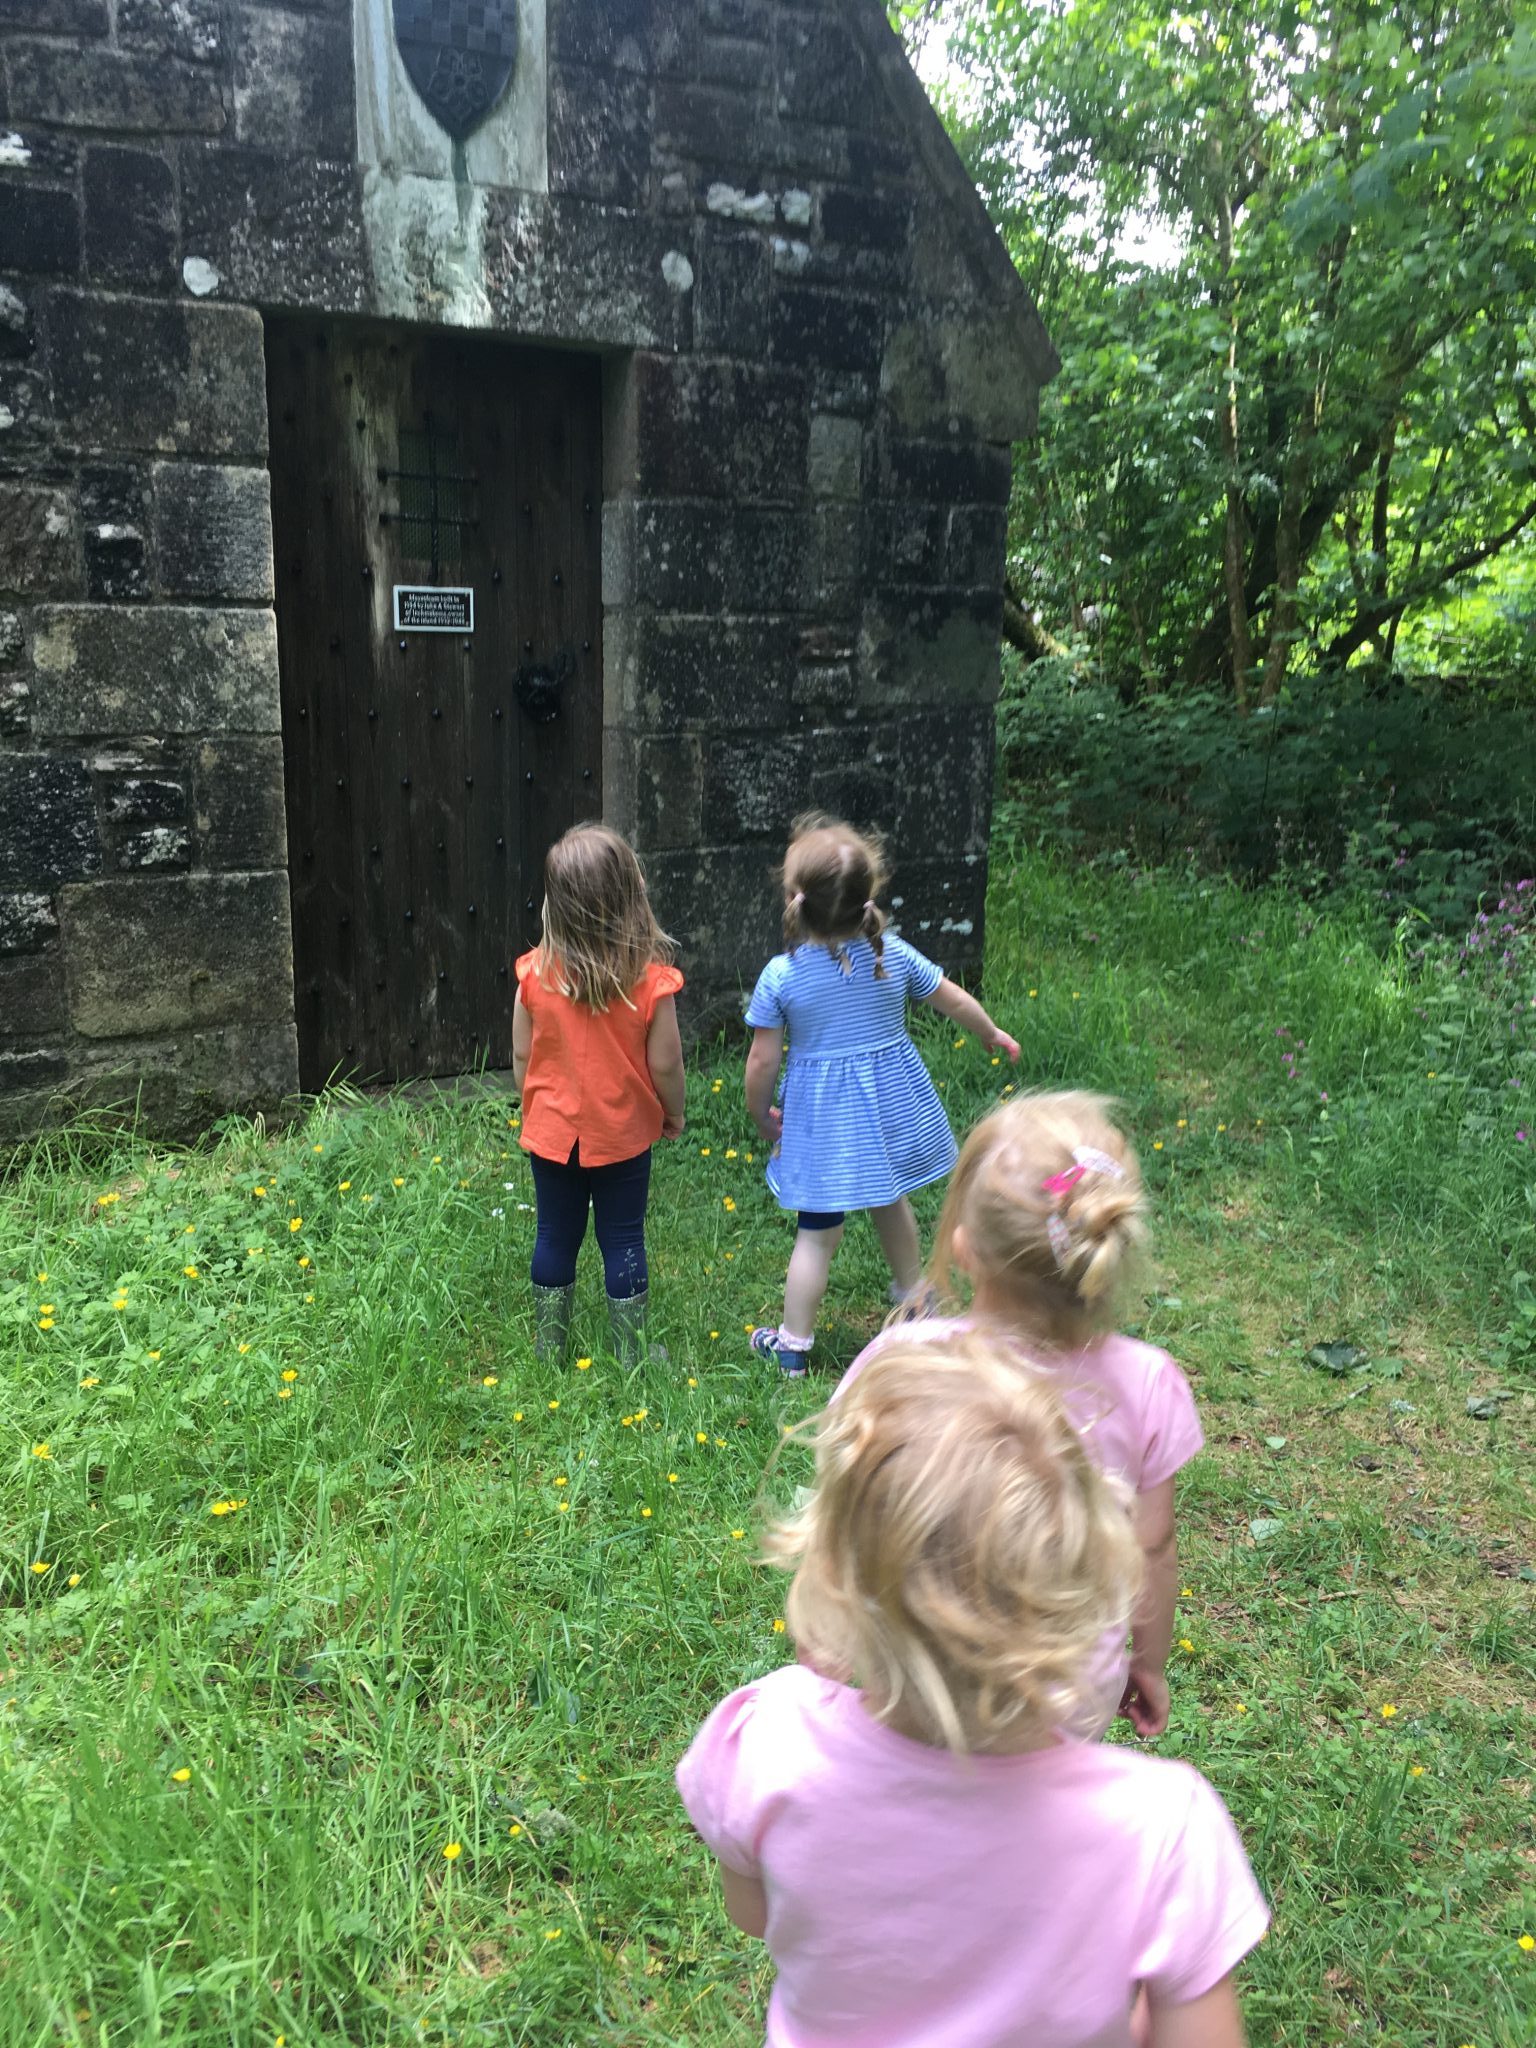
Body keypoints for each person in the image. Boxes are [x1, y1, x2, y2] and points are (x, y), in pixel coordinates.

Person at [677, 1334, 1268, 2048]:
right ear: (1089, 1591)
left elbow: (754, 1915)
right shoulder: (1162, 1832)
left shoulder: (765, 1744)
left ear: (834, 1577)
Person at [836, 1091, 1202, 1739]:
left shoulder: (900, 1359)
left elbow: (846, 1510)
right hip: (1068, 1686)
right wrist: (1147, 1663)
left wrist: (831, 1641)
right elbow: (1152, 1545)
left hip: (916, 1669)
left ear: (965, 1246)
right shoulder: (1149, 1384)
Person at [743, 814, 1020, 1378]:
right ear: (866, 897)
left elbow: (762, 1059)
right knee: (890, 1201)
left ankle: (792, 1344)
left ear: (796, 901)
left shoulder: (782, 975)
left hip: (823, 1122)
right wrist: (989, 1031)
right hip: (886, 1112)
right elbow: (951, 998)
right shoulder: (890, 953)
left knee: (817, 1231)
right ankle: (916, 1308)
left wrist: (759, 1111)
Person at [512, 824, 685, 1365]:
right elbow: (667, 1064)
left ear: (556, 907)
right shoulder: (650, 985)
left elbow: (521, 1056)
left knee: (554, 1236)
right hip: (623, 1136)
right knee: (624, 1238)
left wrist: (536, 1109)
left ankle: (550, 1346)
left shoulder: (534, 977)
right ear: (630, 901)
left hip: (553, 1134)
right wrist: (674, 1113)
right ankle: (631, 1352)